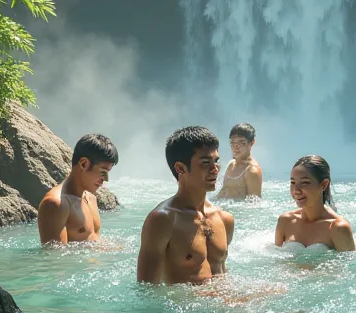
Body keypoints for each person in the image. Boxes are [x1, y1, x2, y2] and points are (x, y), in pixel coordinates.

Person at [137, 127, 234, 285]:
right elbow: (147, 291)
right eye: (205, 163)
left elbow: (223, 275)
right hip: (186, 308)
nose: (215, 169)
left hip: (220, 308)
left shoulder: (225, 219)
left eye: (216, 161)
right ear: (180, 168)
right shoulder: (163, 220)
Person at [38, 133, 119, 245]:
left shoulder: (91, 198)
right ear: (84, 164)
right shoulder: (55, 204)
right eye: (103, 172)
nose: (106, 179)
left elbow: (92, 240)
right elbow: (54, 259)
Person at [275, 155, 355, 252]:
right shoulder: (285, 221)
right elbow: (276, 261)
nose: (296, 190)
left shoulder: (337, 228)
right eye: (293, 182)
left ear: (324, 185)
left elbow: (349, 266)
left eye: (304, 182)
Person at [216, 122, 263, 200]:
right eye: (232, 142)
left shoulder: (252, 171)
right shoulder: (231, 164)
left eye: (242, 142)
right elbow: (223, 192)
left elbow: (254, 204)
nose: (236, 146)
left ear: (251, 143)